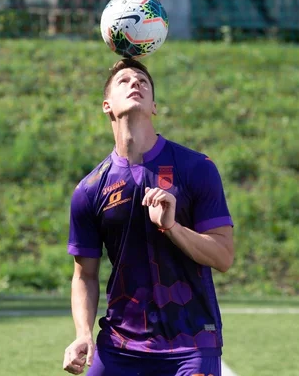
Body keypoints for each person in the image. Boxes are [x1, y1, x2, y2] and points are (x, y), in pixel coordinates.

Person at [62, 58, 235, 376]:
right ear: (107, 106)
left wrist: (172, 228)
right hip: (119, 346)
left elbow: (223, 256)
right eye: (123, 80)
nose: (135, 83)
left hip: (192, 345)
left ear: (154, 106)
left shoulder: (196, 168)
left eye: (142, 80)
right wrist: (83, 334)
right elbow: (84, 275)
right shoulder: (88, 189)